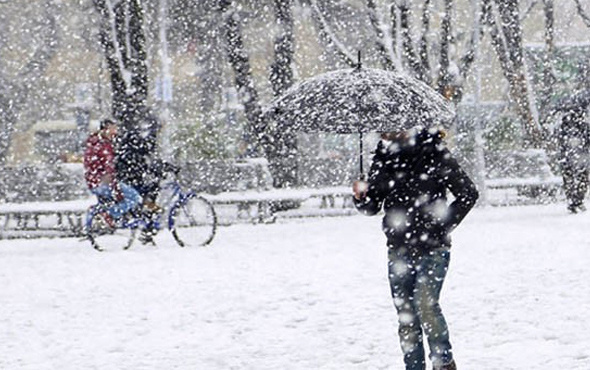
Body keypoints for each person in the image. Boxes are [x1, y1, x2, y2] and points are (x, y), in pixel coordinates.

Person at [352, 127, 479, 370]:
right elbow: (372, 206)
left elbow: (467, 193)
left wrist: (441, 227)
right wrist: (361, 197)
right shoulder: (383, 157)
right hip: (398, 248)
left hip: (433, 248)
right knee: (406, 317)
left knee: (425, 305)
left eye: (389, 127)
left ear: (405, 124)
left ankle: (443, 363)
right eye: (382, 129)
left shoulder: (433, 151)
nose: (384, 133)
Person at [83, 118, 141, 227]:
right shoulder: (102, 146)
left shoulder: (98, 144)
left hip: (96, 182)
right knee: (134, 197)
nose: (115, 131)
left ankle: (107, 213)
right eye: (113, 128)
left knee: (127, 195)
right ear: (105, 130)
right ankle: (110, 214)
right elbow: (106, 169)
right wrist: (114, 186)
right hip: (102, 183)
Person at [558, 106, 589, 213]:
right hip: (580, 158)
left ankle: (573, 200)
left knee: (570, 179)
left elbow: (561, 142)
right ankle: (576, 200)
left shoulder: (564, 127)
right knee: (581, 179)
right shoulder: (584, 127)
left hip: (570, 158)